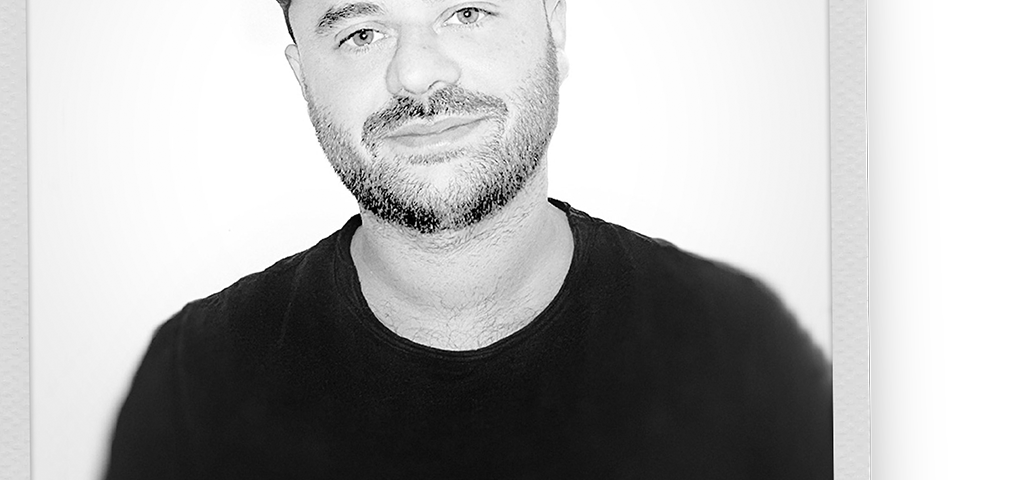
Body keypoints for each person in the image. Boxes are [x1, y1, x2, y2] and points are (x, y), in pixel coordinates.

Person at [104, 0, 832, 478]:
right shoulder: (193, 379)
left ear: (553, 29)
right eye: (361, 32)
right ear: (302, 76)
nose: (417, 74)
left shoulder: (741, 347)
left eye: (466, 11)